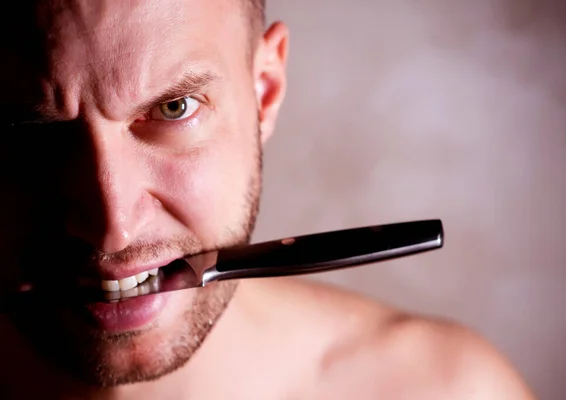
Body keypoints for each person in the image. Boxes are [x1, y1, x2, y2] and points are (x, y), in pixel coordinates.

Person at [0, 0, 536, 398]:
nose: (111, 225)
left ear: (265, 89)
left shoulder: (443, 389)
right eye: (27, 130)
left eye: (174, 108)